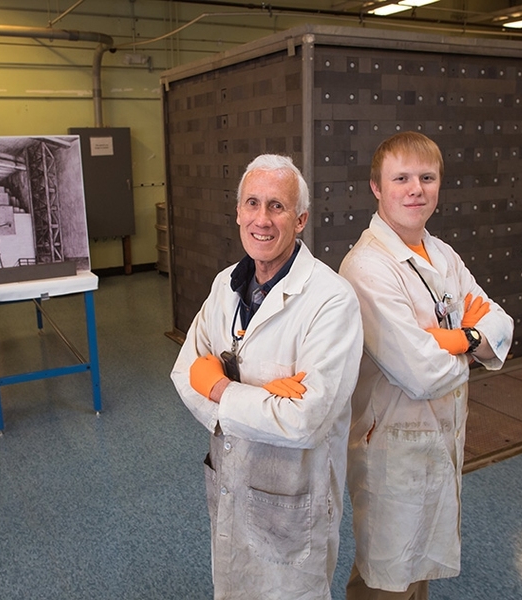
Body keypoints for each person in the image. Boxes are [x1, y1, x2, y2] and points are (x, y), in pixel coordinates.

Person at [170, 154, 363, 599]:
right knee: (232, 586)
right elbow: (184, 372)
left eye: (277, 206)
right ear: (237, 213)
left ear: (300, 220)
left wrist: (219, 387)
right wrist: (258, 403)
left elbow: (306, 420)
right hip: (230, 479)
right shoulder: (225, 286)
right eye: (252, 203)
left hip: (293, 497)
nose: (262, 218)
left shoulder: (331, 301)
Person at [339, 132, 514, 600]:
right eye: (401, 178)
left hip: (438, 437)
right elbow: (422, 372)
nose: (415, 188)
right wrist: (470, 343)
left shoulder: (441, 253)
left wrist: (459, 339)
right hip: (392, 448)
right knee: (385, 577)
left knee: (417, 573)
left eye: (427, 177)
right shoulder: (367, 267)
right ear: (377, 187)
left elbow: (500, 324)